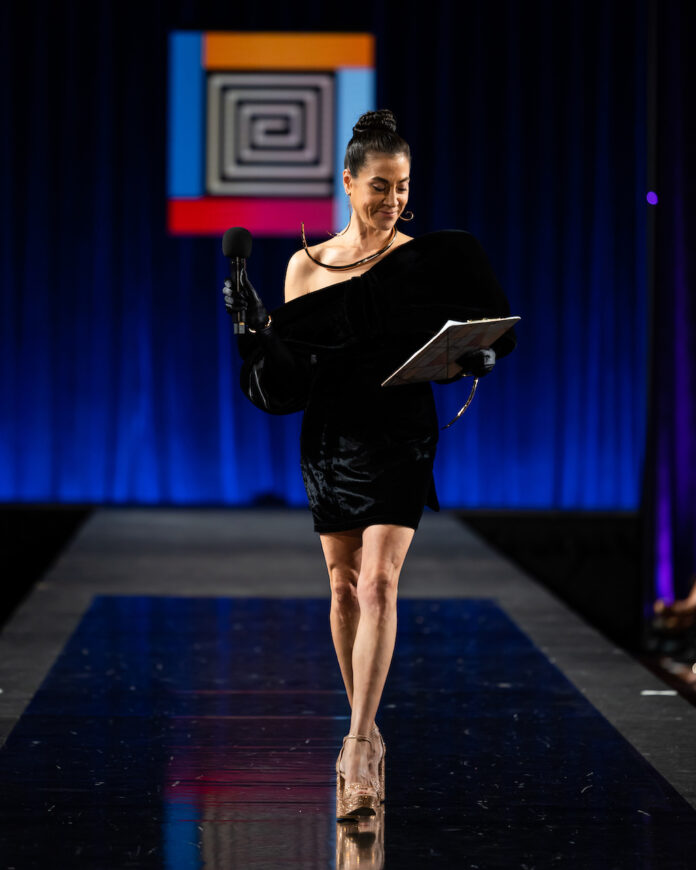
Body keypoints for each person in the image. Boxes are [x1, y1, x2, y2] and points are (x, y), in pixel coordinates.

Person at [223, 110, 517, 819]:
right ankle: (367, 726)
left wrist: (467, 358)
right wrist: (259, 341)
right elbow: (292, 383)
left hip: (401, 432)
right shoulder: (302, 266)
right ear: (349, 184)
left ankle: (357, 746)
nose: (393, 201)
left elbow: (475, 339)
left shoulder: (426, 263)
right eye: (380, 186)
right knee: (345, 588)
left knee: (382, 583)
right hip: (331, 439)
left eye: (403, 187)